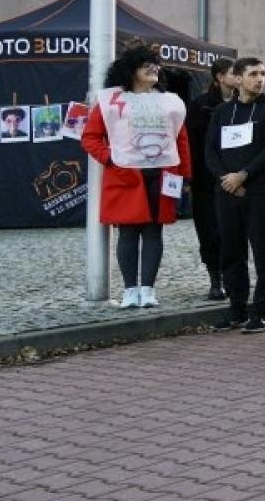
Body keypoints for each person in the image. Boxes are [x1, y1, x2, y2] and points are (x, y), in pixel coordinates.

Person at [81, 43, 191, 310]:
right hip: (126, 175)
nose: (154, 69)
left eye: (155, 65)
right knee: (128, 233)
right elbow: (90, 137)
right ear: (131, 70)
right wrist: (110, 158)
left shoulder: (170, 102)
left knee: (154, 232)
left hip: (162, 174)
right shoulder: (111, 101)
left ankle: (148, 289)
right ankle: (130, 290)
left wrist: (185, 175)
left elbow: (181, 139)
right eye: (146, 65)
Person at [205, 57, 265, 333]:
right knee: (231, 252)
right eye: (253, 74)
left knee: (263, 253)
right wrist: (226, 178)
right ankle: (237, 310)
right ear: (238, 79)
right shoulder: (222, 112)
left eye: (262, 74)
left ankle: (262, 313)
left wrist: (243, 175)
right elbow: (210, 150)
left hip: (258, 191)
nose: (259, 79)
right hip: (226, 191)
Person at [185, 57, 238, 301]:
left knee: (233, 232)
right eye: (233, 73)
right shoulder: (200, 105)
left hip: (236, 178)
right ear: (220, 77)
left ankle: (233, 277)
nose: (238, 77)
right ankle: (216, 278)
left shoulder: (243, 104)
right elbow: (192, 145)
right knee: (209, 231)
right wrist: (190, 177)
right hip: (206, 180)